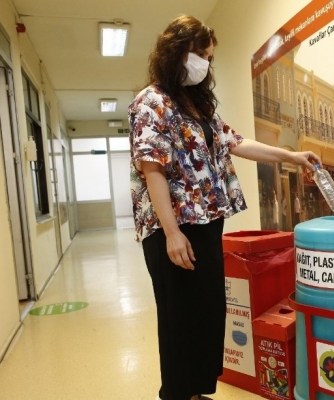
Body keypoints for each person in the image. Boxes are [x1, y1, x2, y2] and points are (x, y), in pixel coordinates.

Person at [128, 15, 320, 400]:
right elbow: (152, 169)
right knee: (181, 321)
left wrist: (291, 155)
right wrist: (172, 233)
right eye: (200, 54)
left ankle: (196, 392)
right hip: (172, 229)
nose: (205, 63)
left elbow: (238, 142)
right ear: (176, 51)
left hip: (206, 223)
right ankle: (177, 395)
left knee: (207, 314)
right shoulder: (150, 102)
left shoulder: (197, 106)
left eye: (209, 57)